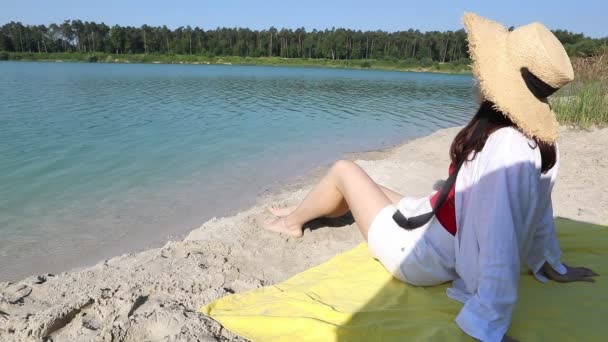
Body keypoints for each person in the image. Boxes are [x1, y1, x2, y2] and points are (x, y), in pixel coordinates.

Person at [263, 12, 598, 342]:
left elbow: (501, 240)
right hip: (437, 221)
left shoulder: (506, 145)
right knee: (369, 186)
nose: (476, 77)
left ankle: (293, 222)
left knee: (343, 170)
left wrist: (487, 325)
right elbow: (540, 209)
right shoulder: (535, 138)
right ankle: (304, 211)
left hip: (424, 256)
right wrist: (551, 264)